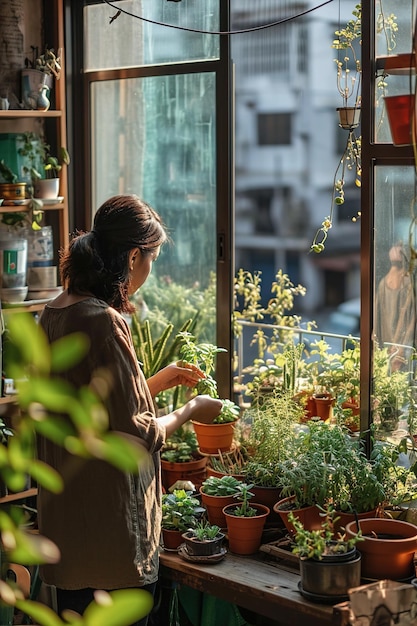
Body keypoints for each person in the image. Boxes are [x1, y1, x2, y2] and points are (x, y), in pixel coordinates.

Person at [36, 194, 223, 624]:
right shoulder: (104, 321)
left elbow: (95, 408)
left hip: (69, 530)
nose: (151, 270)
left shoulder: (55, 312)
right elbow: (140, 434)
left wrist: (160, 380)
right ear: (134, 255)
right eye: (153, 257)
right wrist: (192, 408)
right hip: (111, 536)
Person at [375, 243, 416, 371]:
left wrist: (401, 348)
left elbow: (410, 318)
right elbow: (376, 316)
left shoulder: (408, 282)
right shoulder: (384, 284)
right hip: (392, 347)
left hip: (401, 348)